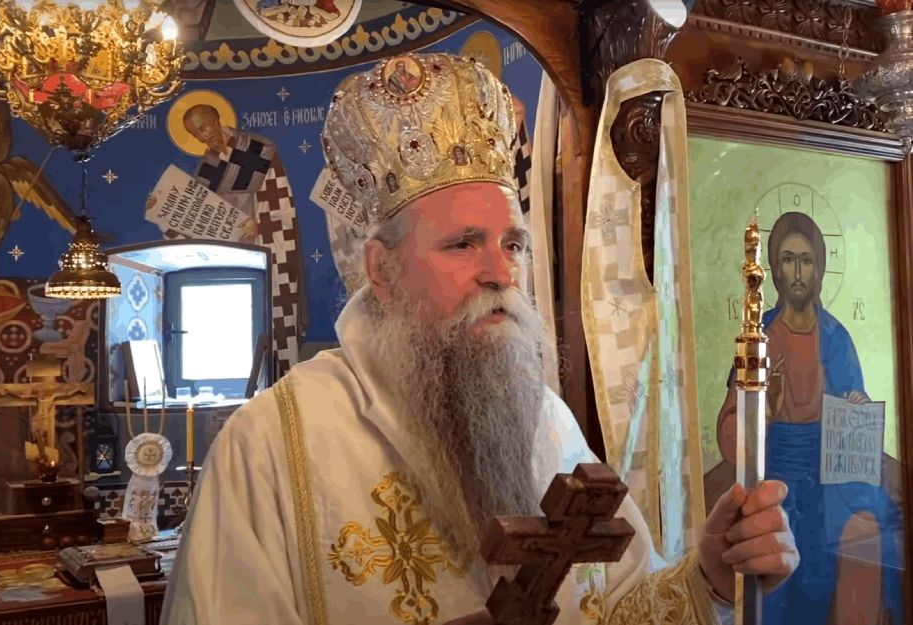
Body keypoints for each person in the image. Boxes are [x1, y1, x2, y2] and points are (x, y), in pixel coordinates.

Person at [160, 52, 798, 625]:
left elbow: (617, 609)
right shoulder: (270, 446)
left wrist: (711, 577)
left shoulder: (547, 422)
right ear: (382, 271)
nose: (500, 273)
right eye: (463, 244)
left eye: (512, 244)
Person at [716, 211, 901, 624]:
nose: (798, 272)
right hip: (774, 468)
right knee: (769, 541)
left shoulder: (836, 337)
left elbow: (858, 430)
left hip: (831, 472)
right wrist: (763, 407)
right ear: (775, 269)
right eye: (788, 260)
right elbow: (729, 436)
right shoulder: (760, 337)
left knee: (868, 528)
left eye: (806, 260)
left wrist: (855, 407)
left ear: (819, 268)